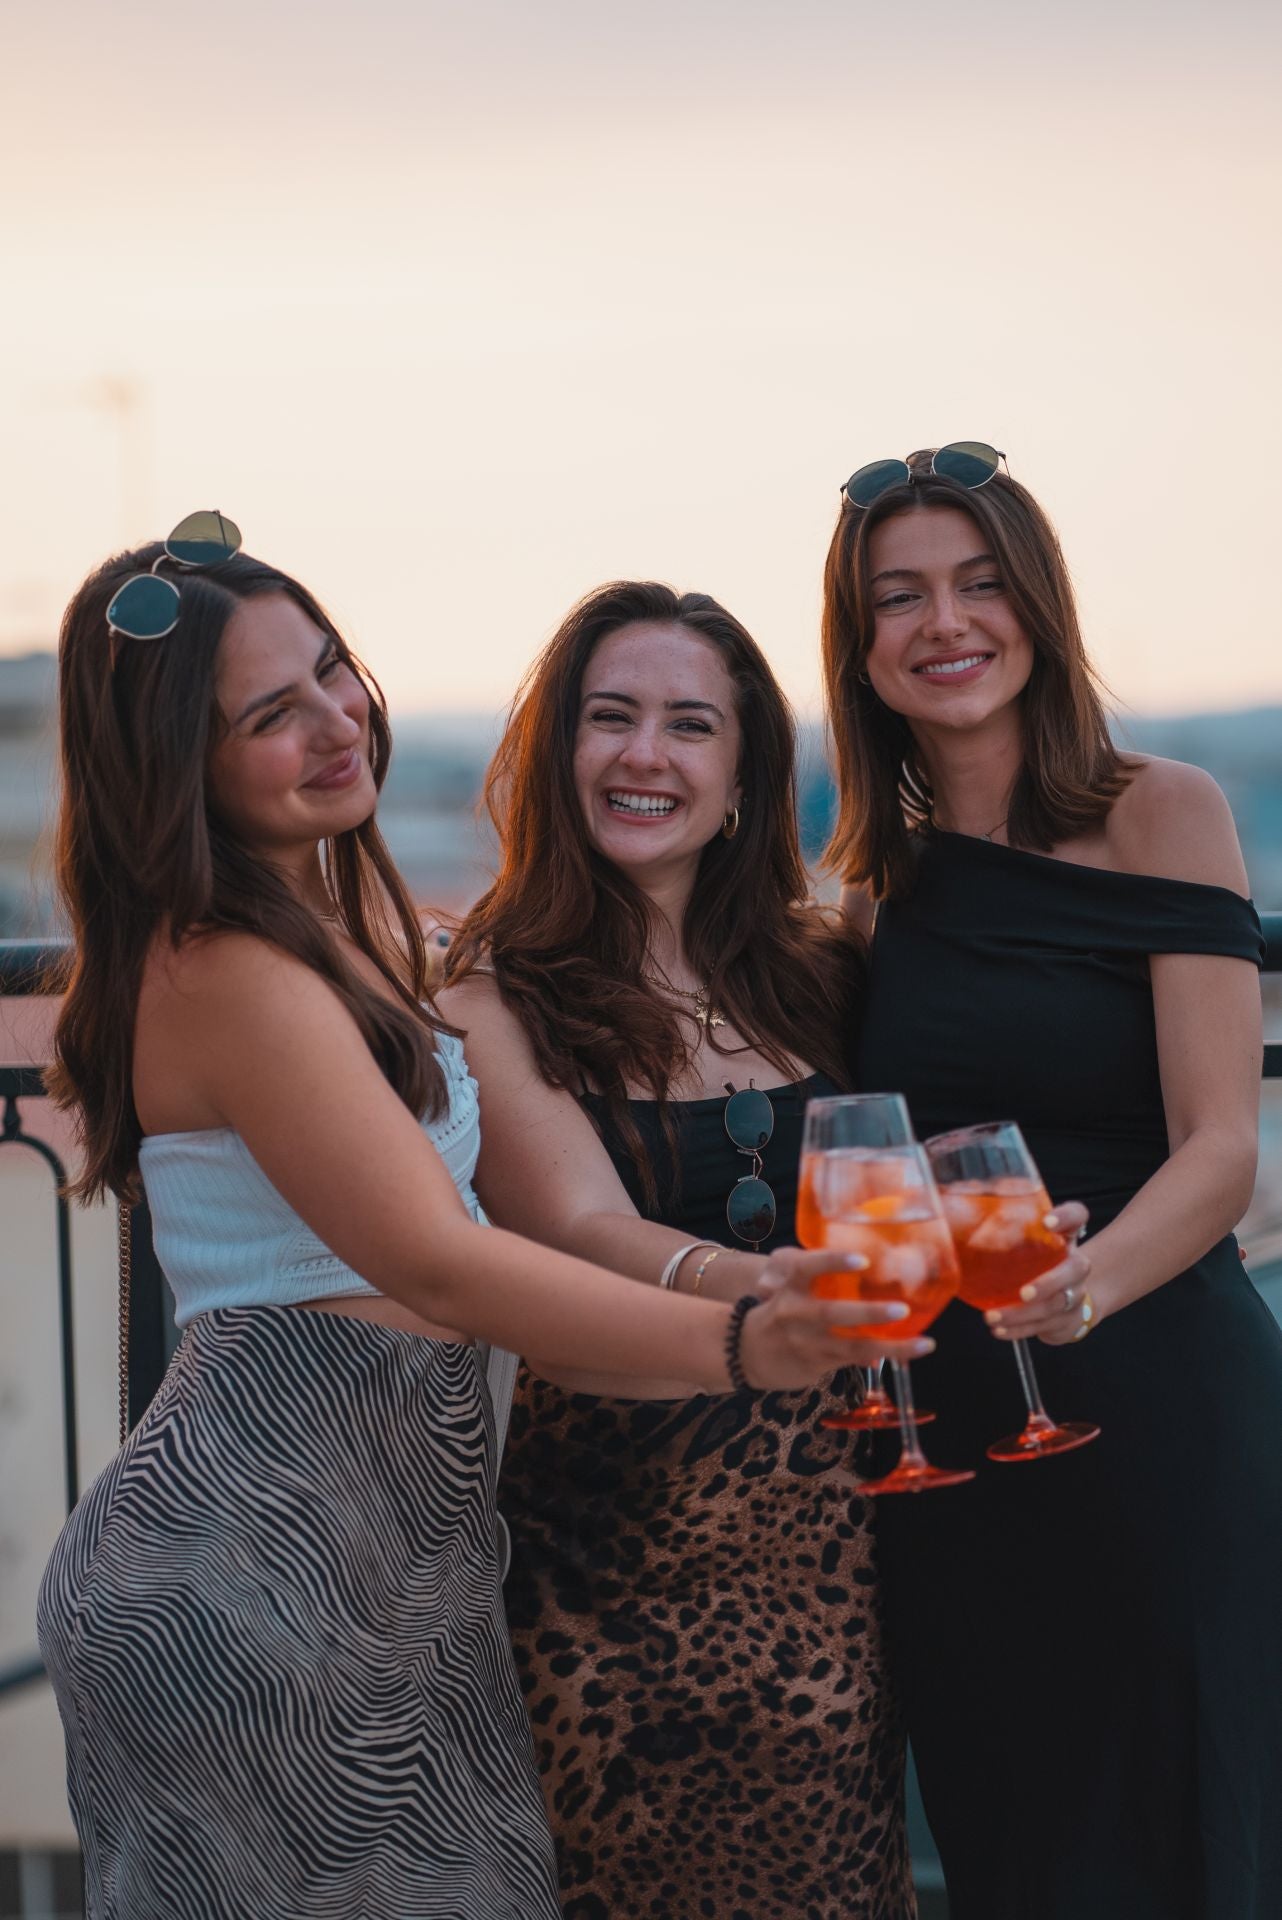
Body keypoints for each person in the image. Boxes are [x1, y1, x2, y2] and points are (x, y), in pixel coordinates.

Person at [36, 522, 907, 1920]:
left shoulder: (351, 935)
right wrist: (752, 1340)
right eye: (272, 715)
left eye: (334, 673)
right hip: (250, 1576)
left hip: (400, 1570)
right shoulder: (225, 971)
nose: (336, 724)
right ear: (176, 766)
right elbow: (443, 1264)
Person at [442, 579, 1025, 1919]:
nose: (646, 754)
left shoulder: (824, 967)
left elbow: (918, 1154)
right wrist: (767, 1286)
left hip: (839, 1546)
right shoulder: (489, 995)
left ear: (746, 777)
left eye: (690, 725)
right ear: (558, 753)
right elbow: (579, 1225)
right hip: (614, 1561)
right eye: (610, 717)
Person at [821, 445, 1282, 1920]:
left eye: (976, 584)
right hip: (953, 1439)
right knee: (1018, 1835)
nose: (942, 623)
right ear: (862, 649)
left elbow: (1219, 1147)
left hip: (1153, 1394)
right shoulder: (871, 880)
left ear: (1035, 607)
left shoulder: (1163, 808)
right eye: (897, 598)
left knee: (1193, 1820)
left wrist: (1085, 1286)